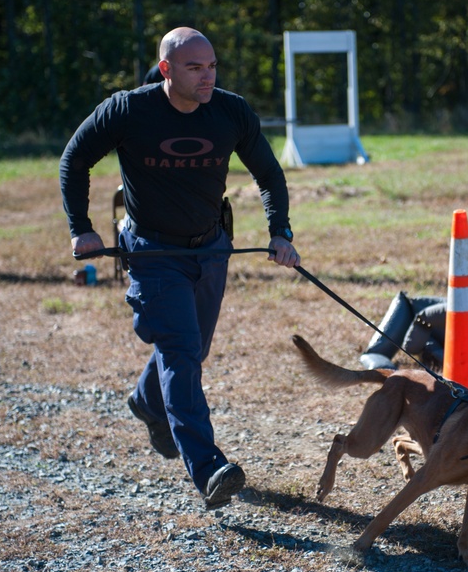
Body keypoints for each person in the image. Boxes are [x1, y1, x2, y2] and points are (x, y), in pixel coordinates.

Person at [61, 27, 300, 510]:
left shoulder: (230, 111)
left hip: (211, 248)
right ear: (167, 69)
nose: (207, 75)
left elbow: (268, 174)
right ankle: (209, 467)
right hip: (152, 252)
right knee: (182, 352)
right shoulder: (129, 109)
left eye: (211, 65)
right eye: (195, 67)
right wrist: (81, 227)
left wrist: (280, 232)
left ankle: (148, 402)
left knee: (193, 347)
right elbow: (75, 158)